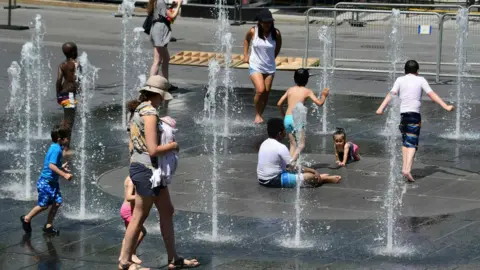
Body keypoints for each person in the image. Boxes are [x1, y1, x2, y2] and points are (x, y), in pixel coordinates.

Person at [118, 75, 199, 270]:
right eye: (163, 96)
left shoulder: (138, 109)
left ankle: (174, 258)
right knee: (138, 216)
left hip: (146, 169)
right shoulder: (150, 113)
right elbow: (154, 149)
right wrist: (173, 145)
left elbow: (132, 145)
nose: (163, 100)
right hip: (148, 171)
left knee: (167, 210)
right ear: (158, 95)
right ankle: (124, 261)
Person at [376, 60, 454, 182]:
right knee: (412, 143)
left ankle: (405, 168)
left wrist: (381, 108)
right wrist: (445, 106)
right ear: (417, 71)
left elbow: (391, 94)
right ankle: (406, 169)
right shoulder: (421, 80)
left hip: (403, 116)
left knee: (405, 142)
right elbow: (431, 94)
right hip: (414, 115)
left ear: (405, 71)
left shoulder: (400, 80)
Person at [257, 118, 341, 188]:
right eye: (284, 130)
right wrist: (312, 171)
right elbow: (293, 167)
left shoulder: (264, 143)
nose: (285, 132)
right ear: (280, 133)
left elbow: (287, 166)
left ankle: (318, 177)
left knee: (294, 170)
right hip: (273, 180)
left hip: (261, 179)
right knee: (311, 177)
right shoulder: (280, 147)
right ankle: (323, 179)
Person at [20, 125, 73, 235]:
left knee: (57, 202)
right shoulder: (56, 150)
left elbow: (54, 165)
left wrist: (61, 167)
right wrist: (64, 174)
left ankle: (48, 226)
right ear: (60, 139)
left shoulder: (57, 147)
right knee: (43, 205)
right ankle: (26, 218)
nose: (68, 139)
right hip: (46, 182)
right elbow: (51, 166)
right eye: (67, 137)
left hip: (52, 182)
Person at [277, 69, 329, 162]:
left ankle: (289, 165)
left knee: (293, 144)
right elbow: (319, 103)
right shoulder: (307, 91)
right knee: (301, 145)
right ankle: (291, 162)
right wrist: (324, 95)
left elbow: (279, 103)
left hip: (287, 119)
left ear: (294, 79)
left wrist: (283, 115)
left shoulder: (290, 90)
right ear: (307, 80)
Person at [243, 9, 282, 124]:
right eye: (265, 22)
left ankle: (260, 115)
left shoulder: (276, 33)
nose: (267, 25)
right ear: (259, 22)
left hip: (269, 67)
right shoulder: (253, 31)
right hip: (255, 65)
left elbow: (278, 46)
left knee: (266, 92)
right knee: (260, 90)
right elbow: (246, 40)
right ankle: (257, 114)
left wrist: (273, 57)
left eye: (269, 22)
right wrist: (245, 55)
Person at [148, 0, 182, 91]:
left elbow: (166, 16)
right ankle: (152, 85)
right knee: (159, 60)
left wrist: (173, 7)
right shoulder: (160, 2)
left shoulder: (157, 1)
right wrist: (178, 5)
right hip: (160, 31)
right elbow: (172, 16)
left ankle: (163, 83)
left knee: (162, 59)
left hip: (159, 30)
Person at [56, 42, 80, 149]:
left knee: (66, 119)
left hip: (63, 94)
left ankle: (61, 141)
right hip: (70, 95)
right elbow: (78, 80)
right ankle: (65, 147)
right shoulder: (76, 64)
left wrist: (58, 94)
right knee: (69, 122)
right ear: (74, 52)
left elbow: (58, 80)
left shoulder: (62, 65)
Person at [120, 177, 147, 265]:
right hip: (128, 210)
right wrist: (143, 196)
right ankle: (130, 253)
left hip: (129, 209)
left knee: (129, 234)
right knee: (141, 232)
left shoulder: (133, 179)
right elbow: (128, 197)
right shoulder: (131, 180)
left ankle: (123, 256)